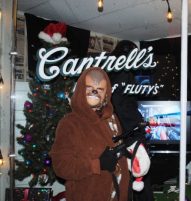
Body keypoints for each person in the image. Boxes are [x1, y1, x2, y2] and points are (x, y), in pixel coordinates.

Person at [50, 67, 130, 201]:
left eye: (100, 89)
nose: (94, 92)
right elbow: (61, 166)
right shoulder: (70, 123)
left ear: (106, 94)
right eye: (89, 87)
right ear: (81, 90)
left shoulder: (112, 119)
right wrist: (97, 164)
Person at [109, 40, 154, 201]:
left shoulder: (111, 70)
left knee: (126, 172)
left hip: (119, 129)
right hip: (130, 130)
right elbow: (122, 104)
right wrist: (138, 124)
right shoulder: (124, 73)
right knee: (140, 169)